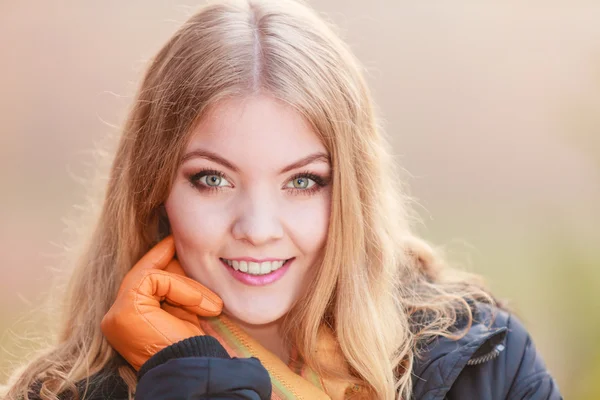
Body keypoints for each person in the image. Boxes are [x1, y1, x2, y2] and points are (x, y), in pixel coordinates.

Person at [2, 0, 562, 399]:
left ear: (351, 194)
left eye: (302, 181)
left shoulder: (486, 363)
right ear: (153, 189)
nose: (259, 227)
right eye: (212, 179)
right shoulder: (54, 394)